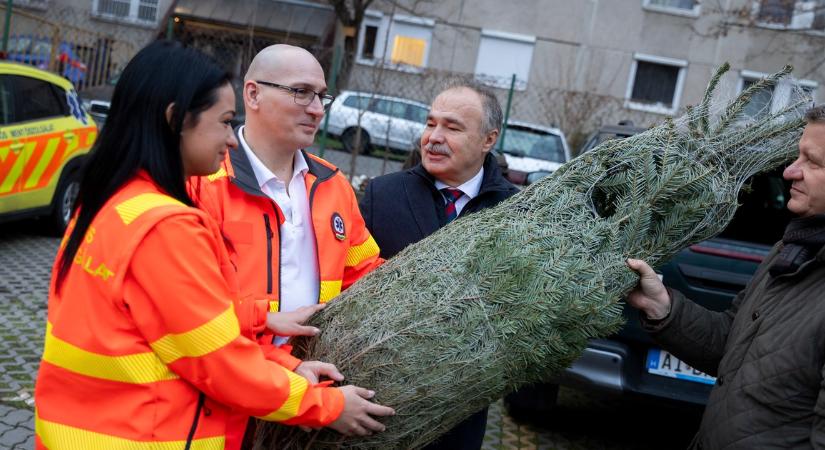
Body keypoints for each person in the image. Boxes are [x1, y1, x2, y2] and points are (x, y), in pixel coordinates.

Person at [33, 40, 394, 450]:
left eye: (321, 96)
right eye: (224, 122)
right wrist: (326, 405)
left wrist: (263, 323)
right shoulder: (169, 221)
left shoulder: (113, 202)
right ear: (177, 120)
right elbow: (217, 361)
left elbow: (176, 320)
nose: (231, 139)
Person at [189, 43, 383, 446]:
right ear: (253, 93)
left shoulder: (334, 185)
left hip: (308, 397)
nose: (317, 108)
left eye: (321, 95)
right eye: (301, 92)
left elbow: (367, 277)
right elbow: (191, 317)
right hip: (219, 404)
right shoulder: (204, 183)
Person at [626, 104, 825, 449]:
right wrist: (663, 307)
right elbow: (730, 346)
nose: (790, 171)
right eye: (797, 156)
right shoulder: (793, 250)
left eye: (813, 162)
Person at [359, 79, 518, 450]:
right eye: (431, 123)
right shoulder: (383, 194)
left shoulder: (516, 213)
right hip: (377, 403)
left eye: (452, 127)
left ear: (488, 140)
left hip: (458, 414)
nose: (434, 136)